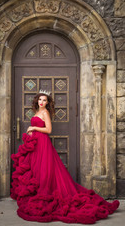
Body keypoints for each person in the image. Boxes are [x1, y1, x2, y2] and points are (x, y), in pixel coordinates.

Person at [11, 90, 119, 224]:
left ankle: (45, 193)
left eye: (45, 100)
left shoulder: (45, 113)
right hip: (35, 144)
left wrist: (33, 128)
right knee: (35, 169)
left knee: (45, 170)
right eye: (40, 100)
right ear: (37, 101)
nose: (42, 102)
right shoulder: (37, 112)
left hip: (43, 143)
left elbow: (48, 130)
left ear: (47, 102)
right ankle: (37, 193)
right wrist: (32, 132)